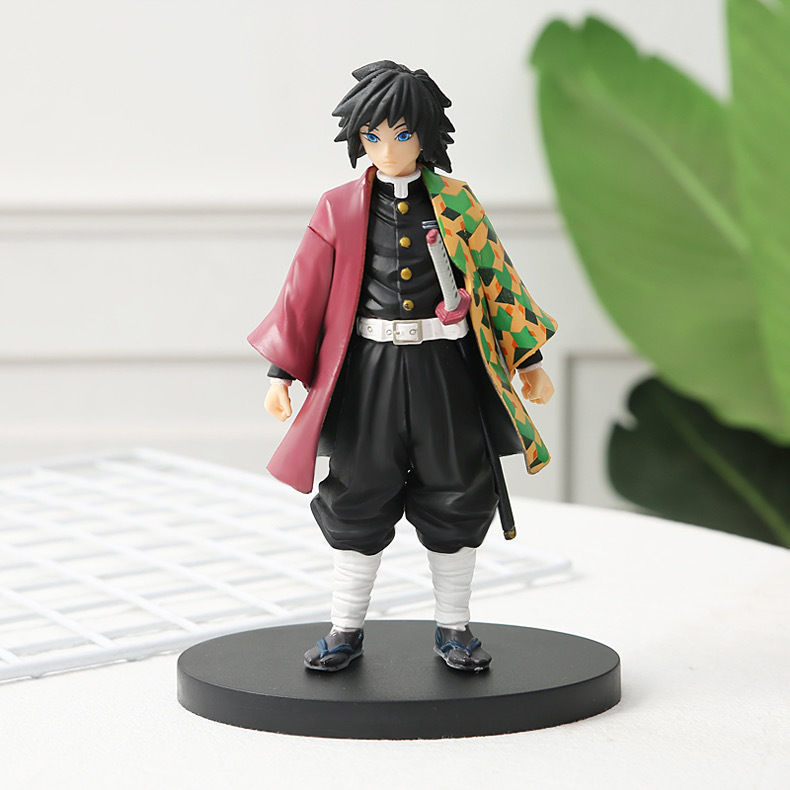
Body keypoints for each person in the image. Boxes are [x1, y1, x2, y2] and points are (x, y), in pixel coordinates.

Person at [247, 60, 557, 673]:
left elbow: (497, 276)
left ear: (426, 134)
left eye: (403, 134)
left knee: (458, 486)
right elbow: (303, 290)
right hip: (369, 372)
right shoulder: (338, 207)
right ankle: (345, 627)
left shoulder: (457, 202)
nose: (388, 150)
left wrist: (528, 357)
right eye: (373, 137)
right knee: (358, 489)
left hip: (446, 368)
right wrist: (281, 371)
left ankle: (454, 628)